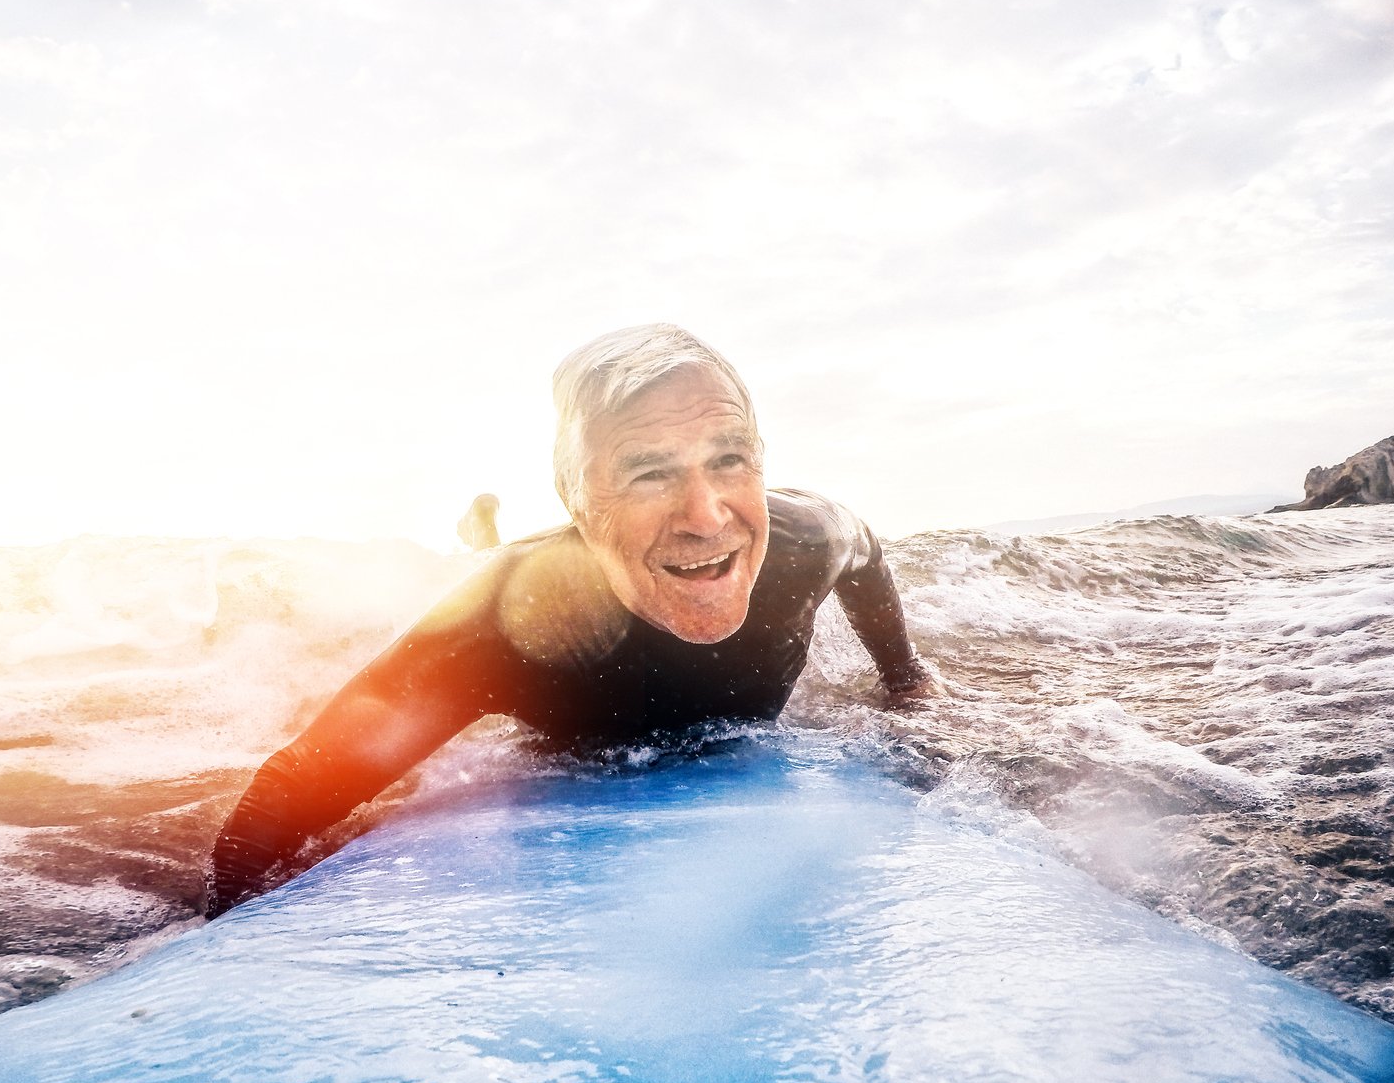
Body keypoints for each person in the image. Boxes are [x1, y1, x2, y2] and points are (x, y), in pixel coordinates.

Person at [206, 323, 944, 917]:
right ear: (574, 492)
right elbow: (292, 789)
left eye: (728, 459)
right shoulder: (492, 631)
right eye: (648, 471)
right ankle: (483, 537)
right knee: (505, 569)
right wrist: (221, 922)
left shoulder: (803, 539)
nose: (705, 516)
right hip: (542, 578)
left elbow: (867, 551)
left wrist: (905, 678)